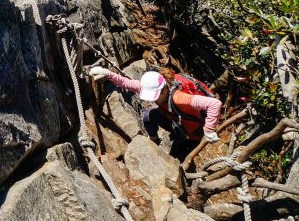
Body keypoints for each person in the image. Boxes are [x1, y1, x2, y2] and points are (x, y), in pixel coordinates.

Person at [89, 65, 222, 161]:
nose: (152, 99)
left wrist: (209, 129)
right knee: (148, 116)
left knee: (175, 159)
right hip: (175, 120)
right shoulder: (151, 86)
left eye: (155, 96)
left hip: (192, 133)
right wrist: (107, 74)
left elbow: (214, 103)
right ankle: (154, 140)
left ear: (164, 90)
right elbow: (127, 83)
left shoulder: (179, 98)